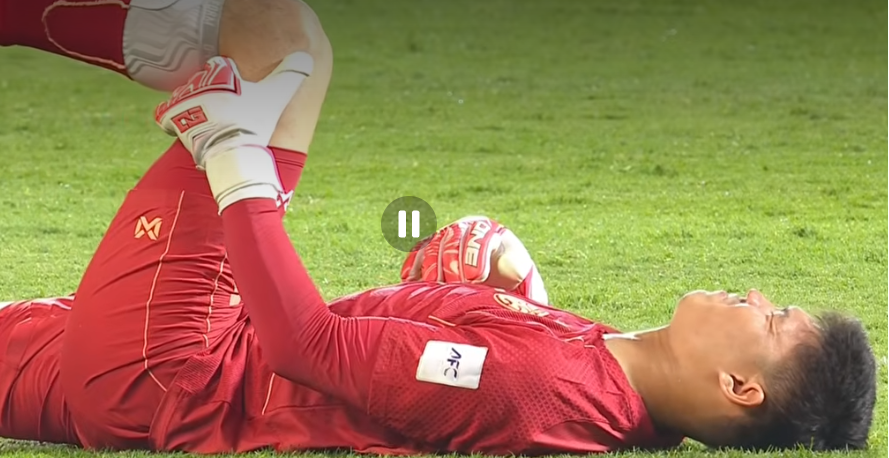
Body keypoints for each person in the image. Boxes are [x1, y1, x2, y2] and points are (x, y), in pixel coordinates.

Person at [0, 6, 878, 456]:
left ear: (738, 387)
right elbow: (454, 374)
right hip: (192, 359)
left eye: (773, 319)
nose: (755, 296)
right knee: (284, 41)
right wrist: (495, 288)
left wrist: (235, 162)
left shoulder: (539, 387)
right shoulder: (614, 370)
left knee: (281, 41)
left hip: (172, 372)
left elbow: (307, 347)